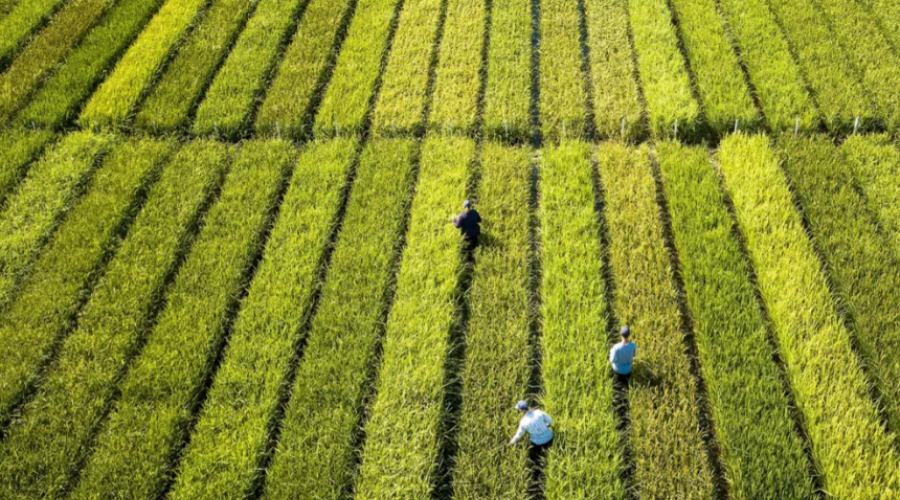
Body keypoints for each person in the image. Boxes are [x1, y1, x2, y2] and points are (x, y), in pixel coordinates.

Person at [509, 400, 553, 464]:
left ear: (522, 411)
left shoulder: (523, 422)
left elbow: (518, 436)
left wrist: (510, 443)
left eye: (519, 410)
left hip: (538, 443)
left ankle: (538, 459)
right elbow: (550, 421)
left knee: (536, 452)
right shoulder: (539, 412)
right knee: (550, 448)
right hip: (549, 437)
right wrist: (545, 426)